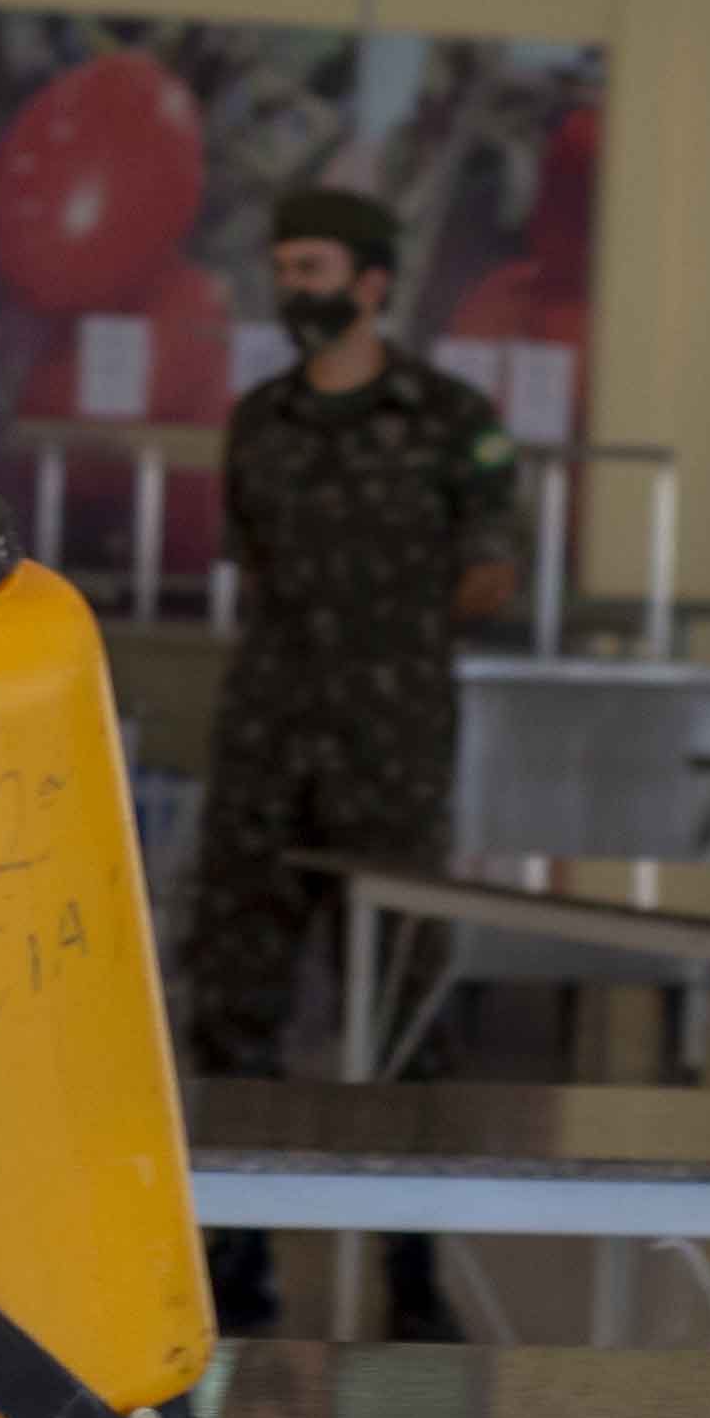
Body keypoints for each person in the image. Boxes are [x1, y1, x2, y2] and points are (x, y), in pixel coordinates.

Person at [166, 178, 513, 1329]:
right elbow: (254, 567)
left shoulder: (455, 418)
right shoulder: (258, 420)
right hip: (267, 744)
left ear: (372, 284)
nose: (292, 287)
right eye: (285, 267)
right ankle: (235, 1255)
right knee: (234, 1003)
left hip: (390, 751)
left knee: (405, 1011)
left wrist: (376, 636)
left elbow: (489, 574)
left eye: (314, 269)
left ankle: (410, 1268)